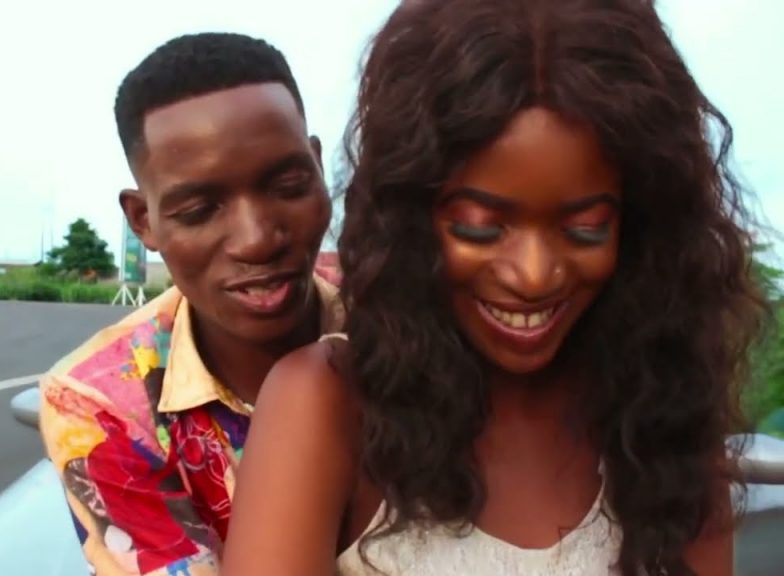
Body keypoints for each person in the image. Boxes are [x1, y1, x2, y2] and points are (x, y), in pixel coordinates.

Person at [221, 1, 771, 575]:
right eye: (479, 228)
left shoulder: (665, 427)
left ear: (641, 226)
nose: (533, 274)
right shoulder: (326, 407)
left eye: (585, 228)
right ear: (408, 217)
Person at [39, 32, 341, 576]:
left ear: (318, 168)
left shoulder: (410, 320)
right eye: (200, 211)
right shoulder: (106, 408)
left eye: (289, 186)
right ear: (144, 221)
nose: (256, 239)